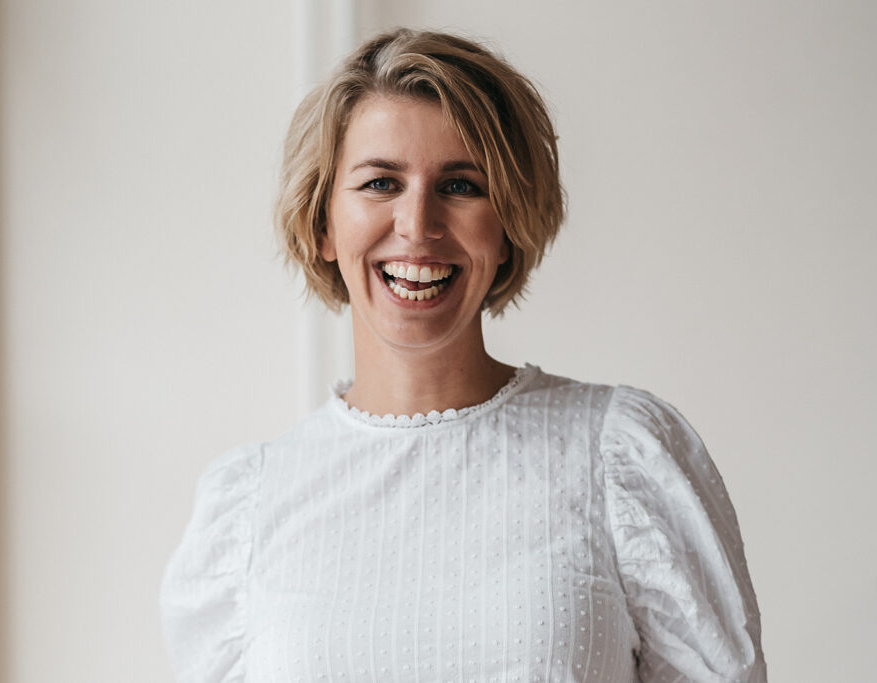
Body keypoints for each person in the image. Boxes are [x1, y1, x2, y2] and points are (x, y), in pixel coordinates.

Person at [160, 28, 766, 682]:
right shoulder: (247, 507)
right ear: (323, 223)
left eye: (460, 185)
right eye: (381, 182)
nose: (417, 224)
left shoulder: (620, 456)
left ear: (507, 228)